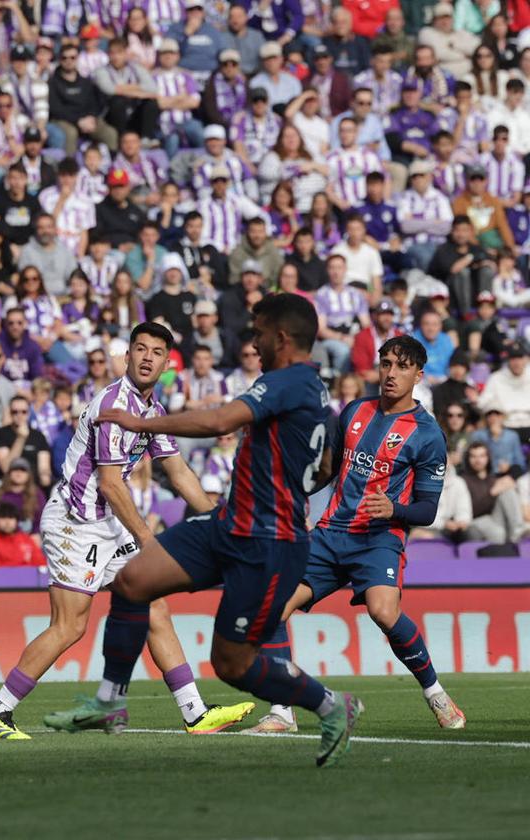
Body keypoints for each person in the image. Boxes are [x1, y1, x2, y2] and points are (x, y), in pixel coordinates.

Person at [82, 294, 363, 767]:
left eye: (258, 334)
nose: (251, 343)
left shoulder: (289, 380)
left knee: (232, 664)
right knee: (133, 580)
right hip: (229, 520)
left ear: (282, 337)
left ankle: (332, 704)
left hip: (268, 541)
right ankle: (109, 702)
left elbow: (218, 420)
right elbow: (327, 466)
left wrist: (140, 421)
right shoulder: (313, 391)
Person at [0, 323, 255, 741]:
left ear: (166, 363)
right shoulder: (113, 406)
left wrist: (223, 521)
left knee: (154, 607)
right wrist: (149, 540)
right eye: (139, 349)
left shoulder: (152, 411)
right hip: (76, 521)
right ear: (126, 356)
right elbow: (109, 483)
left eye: (156, 351)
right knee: (70, 626)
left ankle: (195, 712)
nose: (147, 357)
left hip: (107, 521)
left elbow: (178, 473)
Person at [248, 335, 464, 734]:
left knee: (383, 612)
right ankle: (282, 711)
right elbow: (328, 468)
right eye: (385, 364)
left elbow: (428, 510)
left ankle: (434, 691)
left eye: (401, 366)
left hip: (379, 538)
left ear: (418, 374)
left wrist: (395, 509)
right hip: (331, 534)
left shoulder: (428, 434)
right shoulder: (354, 411)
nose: (391, 374)